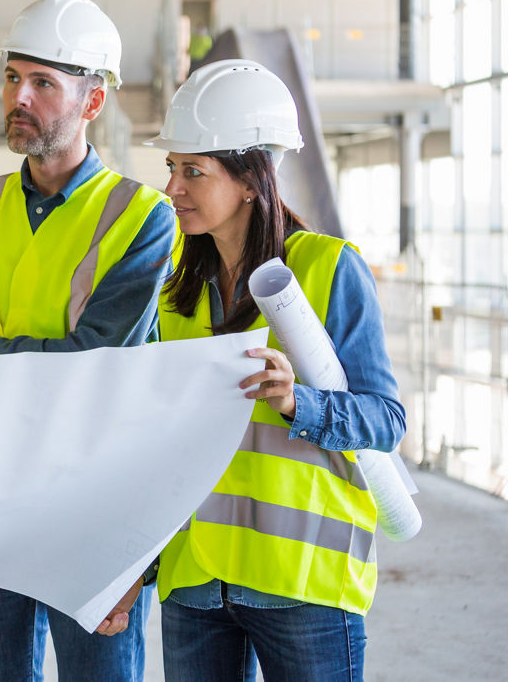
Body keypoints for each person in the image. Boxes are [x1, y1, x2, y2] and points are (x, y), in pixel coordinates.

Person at [0, 0, 177, 682]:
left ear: (92, 104)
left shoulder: (141, 216)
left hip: (93, 499)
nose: (18, 97)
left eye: (42, 83)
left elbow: (90, 366)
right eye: (12, 78)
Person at [151, 59, 406, 682]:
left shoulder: (328, 270)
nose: (172, 189)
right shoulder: (176, 289)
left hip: (301, 584)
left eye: (193, 171)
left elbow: (386, 420)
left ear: (249, 179)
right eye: (172, 169)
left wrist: (301, 403)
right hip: (196, 578)